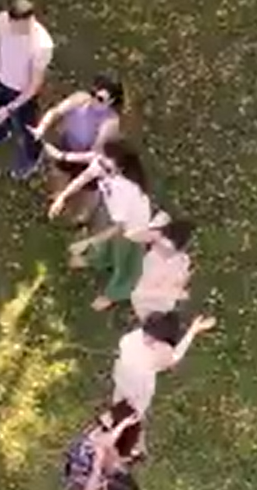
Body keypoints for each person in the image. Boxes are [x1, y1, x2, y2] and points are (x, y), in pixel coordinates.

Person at [49, 137, 156, 311]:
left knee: (126, 264)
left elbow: (119, 229)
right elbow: (84, 177)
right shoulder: (102, 163)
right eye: (100, 161)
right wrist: (63, 197)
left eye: (106, 168)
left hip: (133, 229)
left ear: (120, 169)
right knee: (106, 245)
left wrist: (86, 242)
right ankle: (99, 260)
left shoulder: (126, 188)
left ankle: (116, 292)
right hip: (114, 214)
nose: (100, 168)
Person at [0, 0, 55, 178]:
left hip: (22, 93)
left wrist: (10, 109)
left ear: (30, 20)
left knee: (27, 130)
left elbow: (34, 85)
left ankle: (32, 156)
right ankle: (0, 132)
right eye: (12, 26)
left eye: (19, 28)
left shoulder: (42, 45)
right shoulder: (2, 21)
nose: (14, 32)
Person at [36, 76, 125, 222]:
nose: (93, 100)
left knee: (87, 188)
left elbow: (95, 155)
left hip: (89, 161)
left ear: (112, 102)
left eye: (100, 99)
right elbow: (56, 111)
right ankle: (58, 200)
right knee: (60, 174)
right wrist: (42, 127)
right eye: (92, 93)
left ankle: (82, 217)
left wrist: (62, 156)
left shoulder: (110, 122)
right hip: (68, 144)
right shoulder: (80, 98)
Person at [112, 311, 217, 415]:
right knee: (135, 411)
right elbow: (175, 357)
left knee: (119, 399)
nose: (147, 340)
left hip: (122, 375)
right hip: (140, 386)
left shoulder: (130, 338)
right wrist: (193, 331)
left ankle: (116, 413)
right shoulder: (161, 351)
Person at [62, 400, 144, 490]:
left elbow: (104, 446)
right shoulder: (96, 446)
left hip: (84, 477)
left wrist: (123, 425)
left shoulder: (101, 452)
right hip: (81, 472)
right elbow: (104, 445)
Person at [131, 218, 195, 321]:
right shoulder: (157, 254)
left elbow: (180, 281)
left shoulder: (182, 259)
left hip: (160, 298)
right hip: (149, 299)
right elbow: (147, 292)